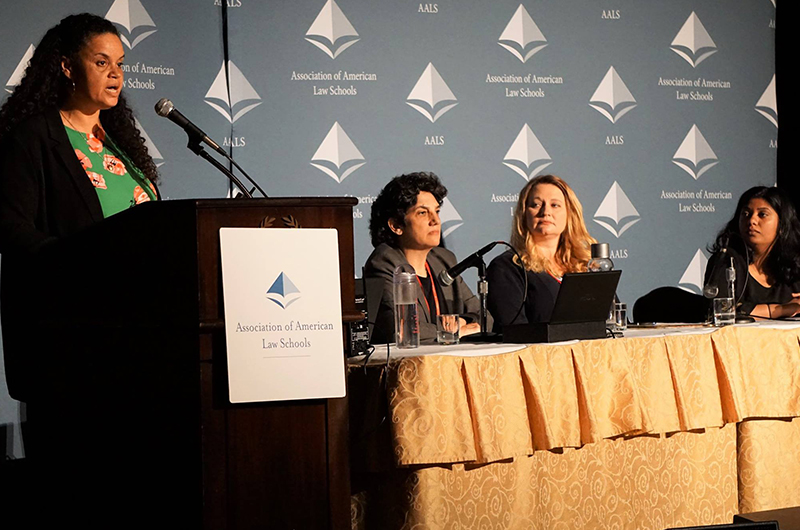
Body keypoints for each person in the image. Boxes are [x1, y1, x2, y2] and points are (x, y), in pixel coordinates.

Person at [364, 172, 484, 343]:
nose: (435, 220)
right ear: (396, 225)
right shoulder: (384, 263)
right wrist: (453, 333)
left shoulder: (444, 261)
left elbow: (483, 316)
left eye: (436, 211)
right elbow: (400, 328)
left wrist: (461, 322)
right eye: (422, 213)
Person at [487, 175, 595, 329]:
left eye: (555, 205)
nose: (546, 212)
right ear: (524, 214)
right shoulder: (507, 267)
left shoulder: (587, 264)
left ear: (570, 214)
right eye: (536, 205)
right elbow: (514, 332)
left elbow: (614, 321)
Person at [705, 186, 800, 318]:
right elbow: (721, 310)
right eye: (746, 214)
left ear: (782, 225)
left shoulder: (796, 263)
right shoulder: (727, 260)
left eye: (762, 214)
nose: (752, 221)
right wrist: (782, 310)